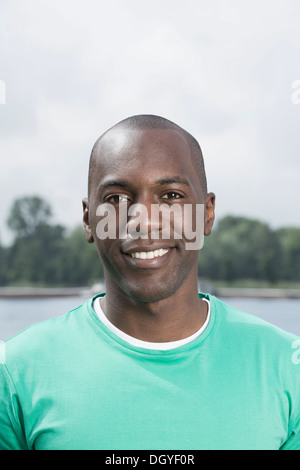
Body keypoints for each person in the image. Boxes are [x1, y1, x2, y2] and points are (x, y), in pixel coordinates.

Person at [0, 114, 299, 450]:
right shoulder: (14, 372)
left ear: (207, 213)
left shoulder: (289, 368)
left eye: (171, 196)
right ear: (88, 220)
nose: (143, 221)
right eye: (116, 199)